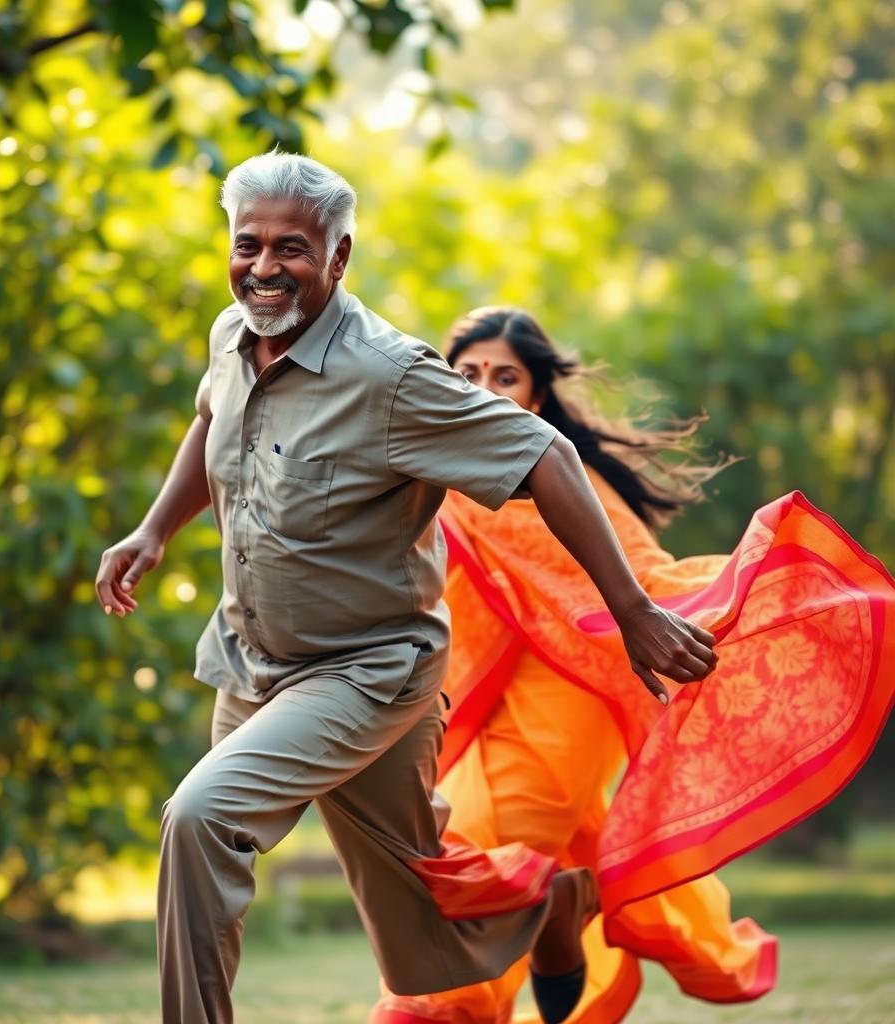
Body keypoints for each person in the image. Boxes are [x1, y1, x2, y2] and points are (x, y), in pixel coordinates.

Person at [93, 154, 719, 1024]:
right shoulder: (230, 335)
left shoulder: (389, 375)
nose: (264, 267)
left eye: (292, 249)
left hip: (365, 672)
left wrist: (635, 610)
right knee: (425, 931)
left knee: (198, 818)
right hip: (253, 659)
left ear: (339, 256)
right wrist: (154, 527)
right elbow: (212, 419)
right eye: (249, 245)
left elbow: (549, 455)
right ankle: (548, 906)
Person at [371, 308, 895, 1024]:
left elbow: (645, 579)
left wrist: (737, 600)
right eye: (466, 373)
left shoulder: (555, 469)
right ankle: (559, 906)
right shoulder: (432, 474)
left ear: (535, 396)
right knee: (444, 853)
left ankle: (479, 974)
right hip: (473, 703)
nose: (484, 388)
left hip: (568, 692)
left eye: (505, 376)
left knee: (491, 862)